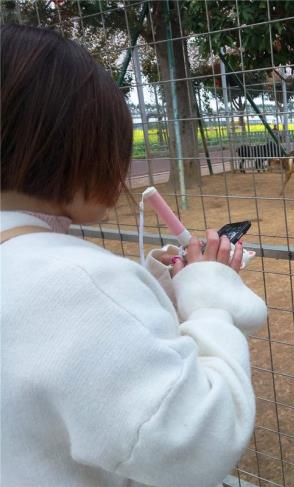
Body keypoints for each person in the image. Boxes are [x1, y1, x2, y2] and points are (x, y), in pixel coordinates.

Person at [1, 25, 267, 487]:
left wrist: (150, 288)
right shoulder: (78, 283)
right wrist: (209, 298)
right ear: (75, 147)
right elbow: (193, 443)